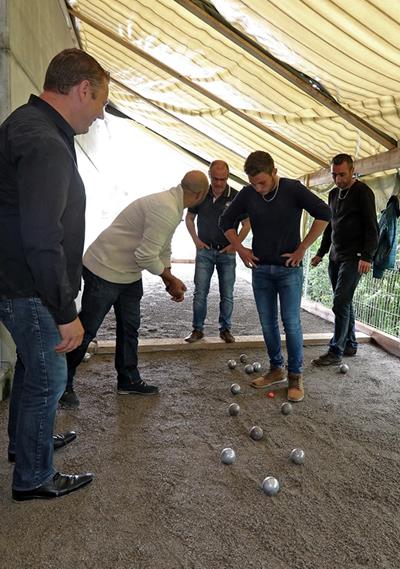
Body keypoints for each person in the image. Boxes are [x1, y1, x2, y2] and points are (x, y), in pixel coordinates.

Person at [0, 48, 110, 500]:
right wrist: (66, 311)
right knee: (51, 377)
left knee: (32, 368)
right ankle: (34, 476)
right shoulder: (45, 141)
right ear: (83, 89)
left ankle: (27, 446)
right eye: (101, 103)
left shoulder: (27, 123)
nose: (100, 116)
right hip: (30, 288)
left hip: (18, 281)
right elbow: (42, 238)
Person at [60, 171, 209, 408]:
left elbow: (163, 247)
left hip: (128, 273)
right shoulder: (167, 209)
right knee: (87, 329)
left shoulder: (172, 205)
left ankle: (128, 380)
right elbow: (146, 255)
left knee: (130, 327)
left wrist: (168, 278)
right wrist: (169, 278)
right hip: (104, 268)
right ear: (200, 194)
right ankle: (62, 385)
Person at [220, 151, 331, 402]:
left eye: (263, 182)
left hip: (288, 270)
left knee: (290, 322)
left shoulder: (292, 189)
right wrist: (240, 248)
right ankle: (276, 369)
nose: (258, 189)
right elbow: (225, 221)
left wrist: (303, 247)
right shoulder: (248, 194)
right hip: (260, 270)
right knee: (267, 323)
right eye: (253, 184)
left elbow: (324, 214)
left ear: (274, 172)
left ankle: (295, 376)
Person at [310, 154, 379, 365]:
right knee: (344, 302)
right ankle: (350, 344)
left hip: (355, 257)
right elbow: (330, 226)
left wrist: (367, 256)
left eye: (342, 174)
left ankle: (335, 351)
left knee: (340, 302)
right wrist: (321, 253)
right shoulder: (333, 194)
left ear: (352, 170)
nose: (338, 179)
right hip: (335, 256)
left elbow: (372, 228)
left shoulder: (363, 193)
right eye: (334, 175)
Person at [184, 160, 250, 343]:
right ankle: (197, 329)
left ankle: (225, 329)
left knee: (227, 293)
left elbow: (247, 224)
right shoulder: (201, 194)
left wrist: (236, 245)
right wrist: (195, 240)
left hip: (227, 254)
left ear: (228, 177)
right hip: (204, 251)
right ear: (209, 175)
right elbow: (189, 218)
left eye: (223, 179)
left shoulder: (237, 197)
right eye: (215, 178)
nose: (219, 183)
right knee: (200, 292)